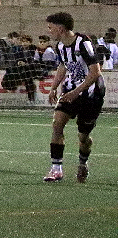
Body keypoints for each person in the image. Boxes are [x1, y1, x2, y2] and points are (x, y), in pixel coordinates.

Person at [43, 12, 105, 183]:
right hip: (70, 90)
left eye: (50, 27)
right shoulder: (60, 46)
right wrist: (53, 88)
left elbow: (95, 72)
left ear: (60, 28)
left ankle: (83, 163)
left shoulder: (83, 43)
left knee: (83, 137)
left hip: (91, 94)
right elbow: (63, 65)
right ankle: (56, 170)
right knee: (57, 124)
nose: (49, 31)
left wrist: (76, 92)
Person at [0, 31, 36, 102]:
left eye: (26, 41)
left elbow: (35, 61)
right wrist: (19, 62)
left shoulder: (34, 50)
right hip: (20, 69)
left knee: (28, 78)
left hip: (31, 69)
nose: (24, 43)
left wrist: (26, 63)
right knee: (10, 72)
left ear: (30, 42)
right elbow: (16, 59)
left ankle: (31, 97)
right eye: (23, 41)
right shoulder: (18, 49)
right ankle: (10, 86)